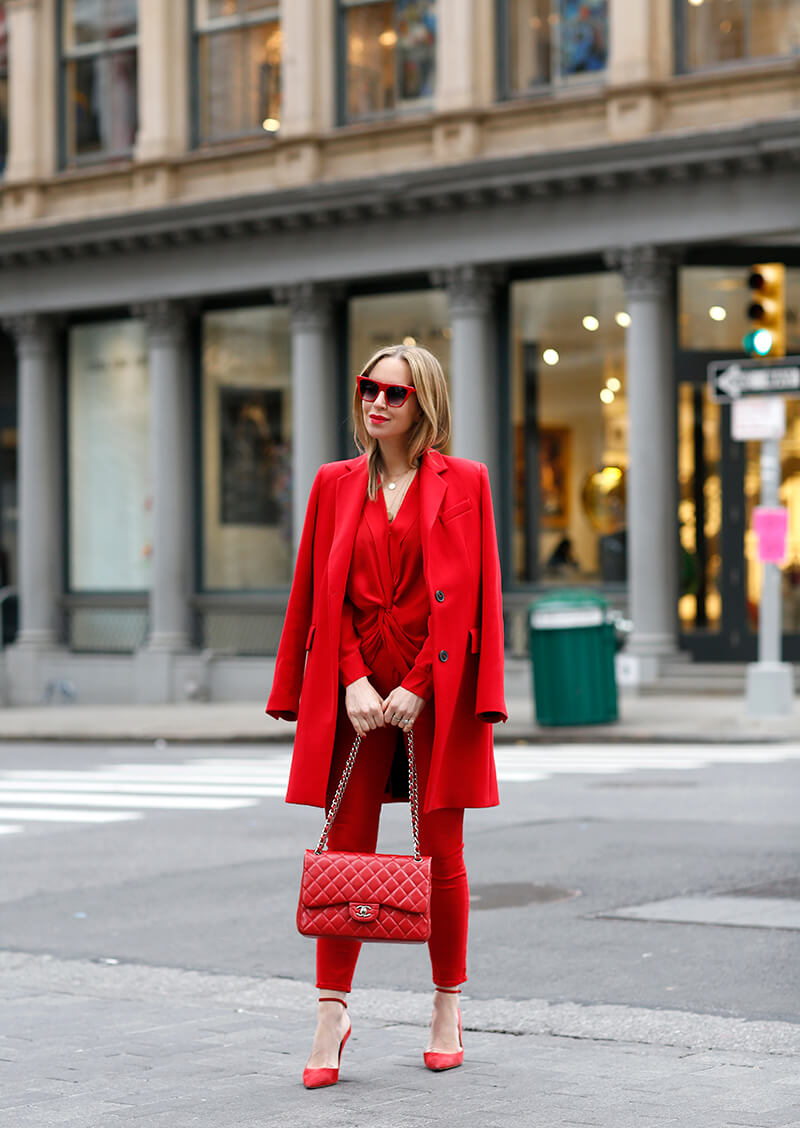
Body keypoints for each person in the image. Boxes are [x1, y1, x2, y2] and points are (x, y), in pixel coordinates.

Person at [266, 343, 507, 1088]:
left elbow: (475, 594)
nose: (376, 403)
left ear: (422, 404)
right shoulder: (334, 484)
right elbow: (316, 591)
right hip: (357, 699)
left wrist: (422, 687)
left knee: (440, 851)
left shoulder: (465, 481)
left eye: (394, 394)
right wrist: (349, 680)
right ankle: (332, 1012)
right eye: (369, 389)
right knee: (344, 848)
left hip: (431, 690)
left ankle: (446, 1005)